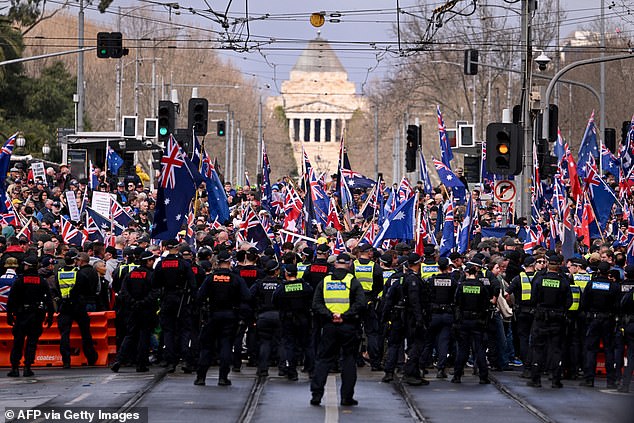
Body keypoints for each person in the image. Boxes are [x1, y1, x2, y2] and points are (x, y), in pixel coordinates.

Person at [310, 253, 365, 406]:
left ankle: (316, 395)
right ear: (349, 264)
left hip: (329, 326)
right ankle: (346, 397)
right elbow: (361, 304)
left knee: (323, 360)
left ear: (335, 264)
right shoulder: (352, 281)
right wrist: (344, 316)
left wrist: (330, 315)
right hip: (348, 326)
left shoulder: (325, 281)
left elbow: (316, 304)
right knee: (348, 360)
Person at [195, 250, 251, 386]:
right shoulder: (236, 278)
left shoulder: (211, 278)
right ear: (229, 262)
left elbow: (199, 296)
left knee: (207, 347)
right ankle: (222, 377)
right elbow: (247, 297)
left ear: (217, 263)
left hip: (213, 315)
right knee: (226, 345)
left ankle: (201, 377)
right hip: (230, 315)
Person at [527, 253, 572, 388]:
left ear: (548, 264)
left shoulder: (539, 279)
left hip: (541, 318)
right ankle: (555, 380)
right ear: (559, 265)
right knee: (556, 349)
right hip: (557, 319)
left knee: (538, 348)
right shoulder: (563, 280)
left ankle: (536, 379)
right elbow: (568, 301)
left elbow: (533, 298)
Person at [151, 239, 196, 373]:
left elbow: (154, 283)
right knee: (184, 330)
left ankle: (170, 361)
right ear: (177, 248)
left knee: (168, 331)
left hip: (167, 299)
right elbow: (193, 284)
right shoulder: (184, 264)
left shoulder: (160, 264)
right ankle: (186, 360)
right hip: (182, 299)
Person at [6, 255, 54, 377]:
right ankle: (27, 367)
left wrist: (9, 315)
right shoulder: (41, 281)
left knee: (18, 342)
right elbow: (49, 300)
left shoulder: (19, 281)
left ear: (27, 266)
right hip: (36, 316)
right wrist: (50, 316)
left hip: (22, 315)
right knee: (32, 342)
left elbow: (11, 299)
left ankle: (15, 367)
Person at [110, 251, 157, 373]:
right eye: (152, 260)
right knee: (144, 337)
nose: (153, 262)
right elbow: (155, 292)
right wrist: (143, 302)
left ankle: (119, 360)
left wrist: (132, 302)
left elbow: (123, 291)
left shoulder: (130, 274)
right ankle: (141, 364)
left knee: (130, 335)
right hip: (146, 310)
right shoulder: (150, 275)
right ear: (148, 261)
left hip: (132, 310)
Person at [579, 261, 621, 389]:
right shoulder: (614, 286)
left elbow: (584, 303)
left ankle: (589, 379)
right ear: (608, 272)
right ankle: (610, 381)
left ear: (597, 271)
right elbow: (617, 305)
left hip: (593, 319)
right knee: (609, 350)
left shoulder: (591, 284)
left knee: (591, 349)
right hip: (608, 320)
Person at [56, 252, 100, 368]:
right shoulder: (79, 274)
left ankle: (66, 360)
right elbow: (87, 290)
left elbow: (56, 289)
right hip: (78, 305)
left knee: (64, 335)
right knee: (85, 333)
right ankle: (91, 357)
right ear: (74, 261)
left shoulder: (59, 274)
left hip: (65, 306)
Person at [452, 258, 491, 384]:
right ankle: (483, 376)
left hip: (464, 320)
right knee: (479, 349)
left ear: (466, 273)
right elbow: (486, 305)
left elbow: (457, 303)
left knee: (462, 349)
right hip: (478, 321)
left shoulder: (461, 287)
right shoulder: (481, 287)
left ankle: (457, 375)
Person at [272, 263, 313, 381]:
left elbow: (275, 301)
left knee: (289, 345)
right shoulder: (305, 286)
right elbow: (311, 298)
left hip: (288, 319)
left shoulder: (282, 288)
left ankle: (292, 372)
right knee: (307, 345)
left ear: (286, 273)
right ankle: (311, 370)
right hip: (303, 318)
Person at [421, 257, 458, 379]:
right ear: (448, 267)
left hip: (433, 314)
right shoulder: (452, 281)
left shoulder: (431, 281)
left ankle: (421, 367)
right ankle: (441, 369)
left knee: (428, 342)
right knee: (444, 342)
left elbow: (426, 297)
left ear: (438, 267)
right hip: (447, 314)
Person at [352, 243, 383, 370]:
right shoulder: (374, 267)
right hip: (369, 301)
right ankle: (375, 363)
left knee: (355, 332)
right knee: (372, 333)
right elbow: (379, 286)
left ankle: (357, 359)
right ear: (368, 252)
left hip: (356, 301)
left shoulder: (353, 265)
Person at [401, 252, 431, 386]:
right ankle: (410, 372)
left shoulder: (411, 277)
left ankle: (415, 373)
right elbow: (414, 301)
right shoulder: (412, 279)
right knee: (416, 345)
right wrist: (419, 318)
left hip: (414, 316)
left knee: (418, 344)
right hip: (413, 317)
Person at [250, 260, 282, 377]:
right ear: (277, 271)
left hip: (263, 316)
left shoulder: (259, 283)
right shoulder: (281, 283)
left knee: (265, 343)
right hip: (278, 315)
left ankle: (263, 369)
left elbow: (249, 296)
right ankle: (283, 368)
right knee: (280, 342)